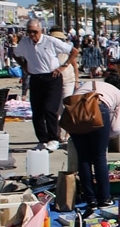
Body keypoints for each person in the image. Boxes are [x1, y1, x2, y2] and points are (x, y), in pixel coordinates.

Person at [14, 18, 78, 151]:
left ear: (40, 30)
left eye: (34, 32)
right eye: (29, 32)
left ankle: (53, 138)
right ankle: (42, 139)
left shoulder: (50, 41)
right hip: (36, 77)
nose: (32, 35)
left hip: (52, 77)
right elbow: (15, 54)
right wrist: (23, 65)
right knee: (37, 111)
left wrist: (63, 66)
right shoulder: (25, 43)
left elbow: (74, 51)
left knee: (50, 109)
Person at [71, 75, 120, 214]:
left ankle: (90, 200)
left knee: (84, 158)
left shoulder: (89, 84)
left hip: (74, 112)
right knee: (99, 158)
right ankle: (104, 199)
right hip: (98, 108)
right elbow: (115, 128)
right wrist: (104, 136)